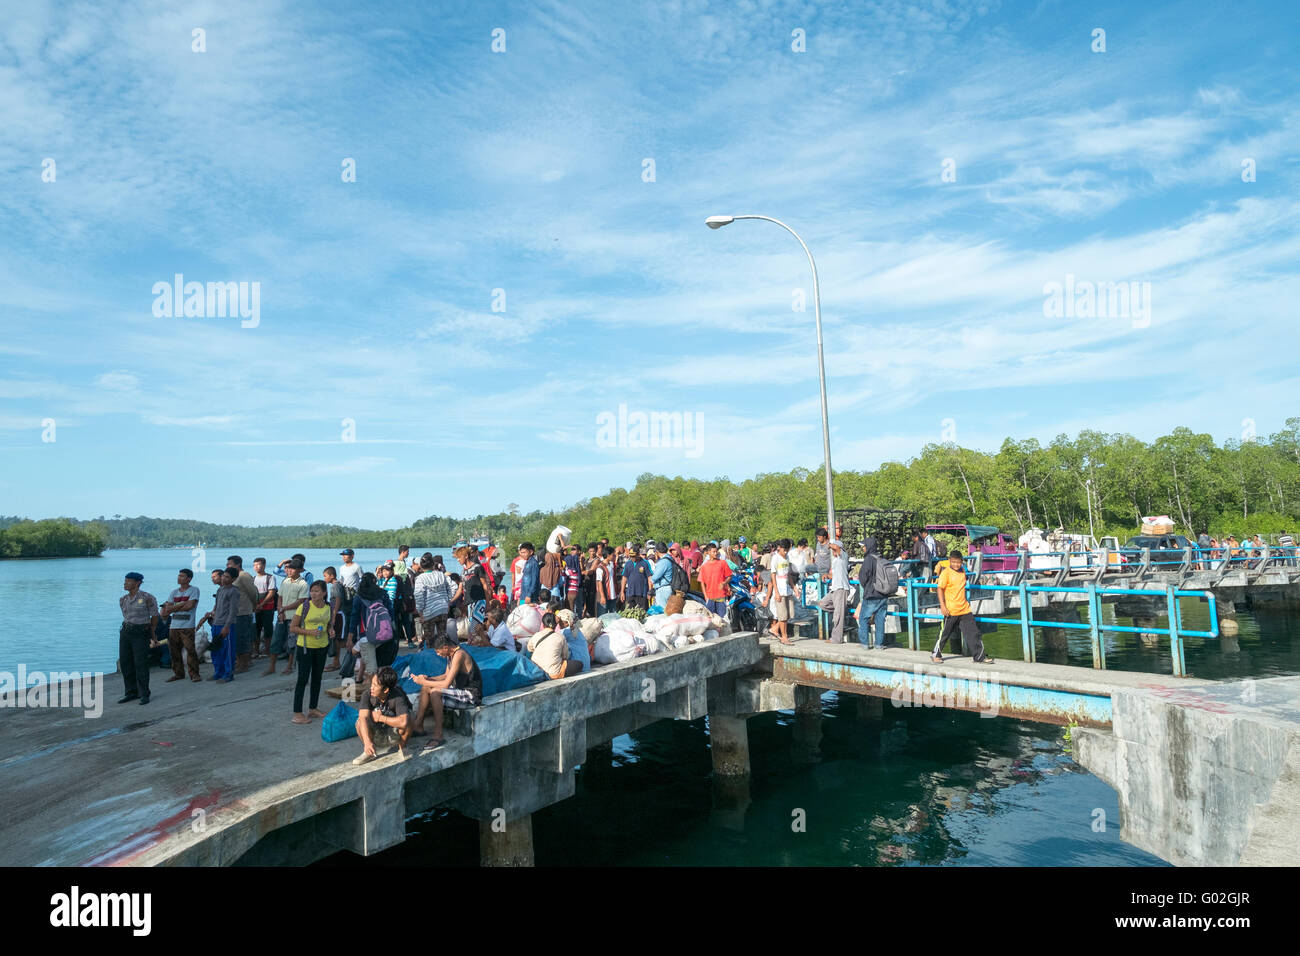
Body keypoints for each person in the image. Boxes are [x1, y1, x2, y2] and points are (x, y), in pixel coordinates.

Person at [410, 636, 484, 748]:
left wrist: (423, 681)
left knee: (435, 692)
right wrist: (428, 678)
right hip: (459, 691)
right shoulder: (451, 654)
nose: (438, 655)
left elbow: (446, 684)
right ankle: (418, 725)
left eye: (438, 652)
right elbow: (445, 676)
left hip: (470, 695)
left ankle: (438, 735)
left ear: (445, 647)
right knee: (425, 688)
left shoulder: (459, 655)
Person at [931, 550, 993, 664]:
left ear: (962, 562)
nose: (956, 564)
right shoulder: (946, 573)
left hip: (964, 609)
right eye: (953, 562)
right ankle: (936, 654)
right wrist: (943, 606)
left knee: (973, 633)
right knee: (944, 633)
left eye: (958, 562)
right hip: (951, 610)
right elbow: (940, 589)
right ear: (949, 561)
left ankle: (979, 656)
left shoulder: (963, 571)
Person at [290, 580, 334, 724]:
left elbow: (328, 624)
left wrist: (331, 630)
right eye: (312, 591)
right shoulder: (304, 606)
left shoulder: (328, 607)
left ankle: (313, 708)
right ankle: (297, 713)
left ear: (324, 593)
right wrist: (309, 632)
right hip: (305, 647)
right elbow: (293, 627)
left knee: (317, 678)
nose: (313, 594)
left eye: (317, 591)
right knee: (302, 680)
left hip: (322, 646)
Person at [352, 666, 411, 765]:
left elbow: (404, 722)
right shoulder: (367, 695)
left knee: (409, 719)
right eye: (372, 684)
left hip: (394, 734)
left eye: (375, 685)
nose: (371, 688)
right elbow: (363, 718)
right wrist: (367, 742)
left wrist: (380, 718)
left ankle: (402, 748)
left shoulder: (398, 695)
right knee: (359, 722)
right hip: (376, 734)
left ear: (386, 690)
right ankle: (369, 751)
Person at [118, 572, 160, 704]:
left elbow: (154, 617)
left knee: (140, 663)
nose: (125, 583)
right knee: (125, 662)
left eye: (129, 581)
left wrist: (153, 635)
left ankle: (144, 693)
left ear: (138, 583)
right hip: (126, 632)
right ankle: (131, 692)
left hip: (141, 632)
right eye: (125, 581)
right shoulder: (123, 599)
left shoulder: (147, 598)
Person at [348, 572, 397, 684]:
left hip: (366, 636)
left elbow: (354, 618)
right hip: (384, 634)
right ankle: (361, 678)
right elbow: (391, 613)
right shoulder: (383, 594)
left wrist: (350, 637)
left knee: (371, 669)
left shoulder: (359, 597)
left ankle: (373, 693)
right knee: (379, 664)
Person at [267, 559, 309, 676]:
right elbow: (279, 596)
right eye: (288, 568)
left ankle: (290, 666)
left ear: (300, 570)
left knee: (292, 643)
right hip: (282, 616)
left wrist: (284, 608)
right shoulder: (285, 581)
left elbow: (301, 601)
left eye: (293, 568)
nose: (289, 571)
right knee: (276, 640)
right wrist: (280, 610)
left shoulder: (303, 584)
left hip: (294, 617)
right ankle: (272, 666)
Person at [160, 568, 202, 682]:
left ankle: (194, 674)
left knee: (190, 650)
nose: (179, 578)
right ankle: (178, 673)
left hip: (187, 625)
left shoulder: (194, 590)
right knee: (174, 651)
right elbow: (166, 609)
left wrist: (173, 607)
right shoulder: (174, 592)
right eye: (179, 575)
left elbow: (190, 606)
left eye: (182, 576)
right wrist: (181, 604)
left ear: (189, 578)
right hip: (174, 625)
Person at [202, 567, 240, 683]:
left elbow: (233, 611)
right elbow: (218, 606)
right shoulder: (220, 590)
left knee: (227, 651)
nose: (224, 578)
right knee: (216, 649)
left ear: (233, 579)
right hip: (216, 623)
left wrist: (227, 626)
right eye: (223, 576)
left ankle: (228, 674)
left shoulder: (234, 591)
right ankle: (218, 672)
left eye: (227, 577)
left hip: (226, 624)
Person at [855, 537, 892, 649]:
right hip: (883, 594)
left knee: (864, 618)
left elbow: (863, 577)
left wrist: (867, 587)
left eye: (864, 546)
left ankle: (865, 643)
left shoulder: (868, 560)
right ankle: (879, 644)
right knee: (880, 619)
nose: (863, 549)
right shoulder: (881, 558)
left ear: (869, 546)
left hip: (871, 594)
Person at [225, 555, 260, 674]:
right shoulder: (233, 577)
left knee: (242, 638)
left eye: (229, 564)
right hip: (234, 612)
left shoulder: (243, 575)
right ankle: (239, 661)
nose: (227, 566)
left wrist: (254, 605)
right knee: (236, 638)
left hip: (243, 611)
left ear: (237, 564)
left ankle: (244, 663)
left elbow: (253, 592)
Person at [414, 553, 453, 650]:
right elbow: (451, 587)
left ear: (421, 566)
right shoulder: (441, 575)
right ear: (433, 564)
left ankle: (432, 657)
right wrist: (448, 601)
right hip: (443, 609)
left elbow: (419, 596)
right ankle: (445, 656)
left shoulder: (420, 578)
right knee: (442, 636)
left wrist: (420, 612)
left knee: (430, 639)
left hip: (429, 611)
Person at [816, 535, 851, 643]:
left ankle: (836, 639)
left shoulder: (843, 556)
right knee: (822, 603)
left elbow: (838, 549)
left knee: (837, 616)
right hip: (834, 588)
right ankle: (841, 609)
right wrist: (827, 575)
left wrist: (829, 545)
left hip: (841, 587)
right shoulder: (836, 560)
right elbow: (836, 574)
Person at [766, 540, 795, 645]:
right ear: (780, 548)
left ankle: (775, 629)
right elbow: (773, 576)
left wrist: (794, 587)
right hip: (780, 590)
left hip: (787, 589)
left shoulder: (787, 558)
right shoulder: (775, 558)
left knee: (789, 614)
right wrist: (776, 592)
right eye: (784, 550)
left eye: (787, 550)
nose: (786, 552)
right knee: (782, 616)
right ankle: (784, 637)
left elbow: (789, 574)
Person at [320, 565, 346, 672]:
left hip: (339, 614)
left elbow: (338, 600)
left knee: (336, 638)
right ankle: (336, 661)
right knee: (335, 638)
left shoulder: (335, 586)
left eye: (325, 576)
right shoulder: (337, 585)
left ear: (331, 576)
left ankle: (336, 662)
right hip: (338, 613)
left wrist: (334, 615)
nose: (324, 578)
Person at [251, 557, 277, 659]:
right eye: (254, 565)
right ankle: (256, 651)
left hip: (268, 608)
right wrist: (255, 606)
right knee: (255, 629)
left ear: (264, 565)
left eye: (258, 565)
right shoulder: (253, 579)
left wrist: (261, 605)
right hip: (256, 608)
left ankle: (267, 650)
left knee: (268, 629)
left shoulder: (270, 577)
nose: (256, 567)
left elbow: (271, 592)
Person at [698, 542, 732, 619]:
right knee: (710, 619)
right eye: (713, 551)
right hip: (710, 597)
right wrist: (705, 596)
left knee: (722, 619)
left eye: (716, 551)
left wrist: (725, 583)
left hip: (721, 595)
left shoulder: (722, 563)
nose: (716, 553)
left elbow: (730, 576)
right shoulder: (704, 566)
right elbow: (702, 582)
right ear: (708, 552)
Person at [621, 546, 652, 610]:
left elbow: (649, 578)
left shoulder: (645, 563)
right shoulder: (627, 564)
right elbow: (624, 578)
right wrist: (622, 592)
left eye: (633, 556)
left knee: (642, 613)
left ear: (638, 554)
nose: (632, 558)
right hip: (630, 593)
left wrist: (650, 591)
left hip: (642, 594)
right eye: (631, 556)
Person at [649, 544, 674, 608]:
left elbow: (654, 577)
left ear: (657, 552)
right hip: (668, 587)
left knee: (662, 612)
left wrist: (651, 579)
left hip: (663, 589)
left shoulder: (663, 562)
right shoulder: (670, 558)